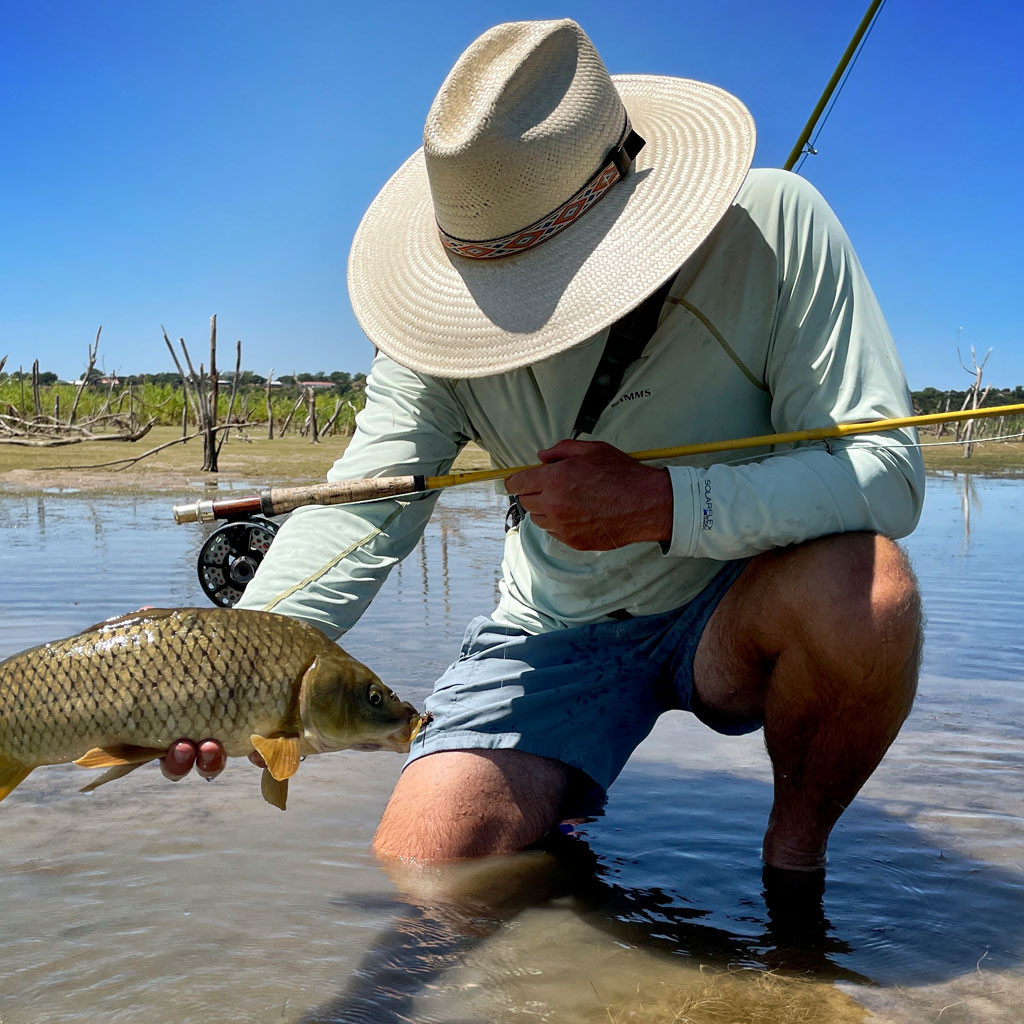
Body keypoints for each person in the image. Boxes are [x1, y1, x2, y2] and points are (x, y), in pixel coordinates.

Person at [162, 19, 924, 876]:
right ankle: (556, 818)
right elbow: (362, 512)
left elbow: (886, 477)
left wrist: (662, 505)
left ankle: (794, 869)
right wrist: (233, 668)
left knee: (869, 597)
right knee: (425, 872)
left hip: (738, 598)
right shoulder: (432, 327)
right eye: (496, 283)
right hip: (551, 625)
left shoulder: (779, 224)